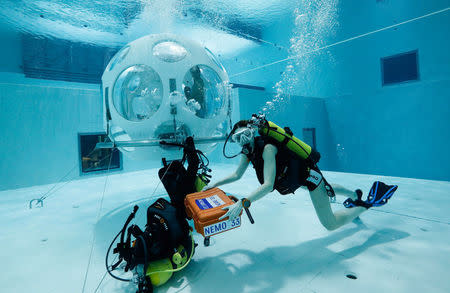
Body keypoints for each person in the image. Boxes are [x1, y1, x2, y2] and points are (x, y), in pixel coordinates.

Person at [204, 116, 398, 231]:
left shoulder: (267, 149)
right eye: (238, 138)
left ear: (253, 132)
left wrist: (243, 202)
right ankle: (355, 195)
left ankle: (363, 205)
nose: (244, 141)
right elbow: (237, 175)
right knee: (326, 187)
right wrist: (214, 184)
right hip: (294, 178)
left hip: (307, 176)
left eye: (246, 134)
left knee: (329, 223)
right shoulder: (249, 152)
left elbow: (268, 185)